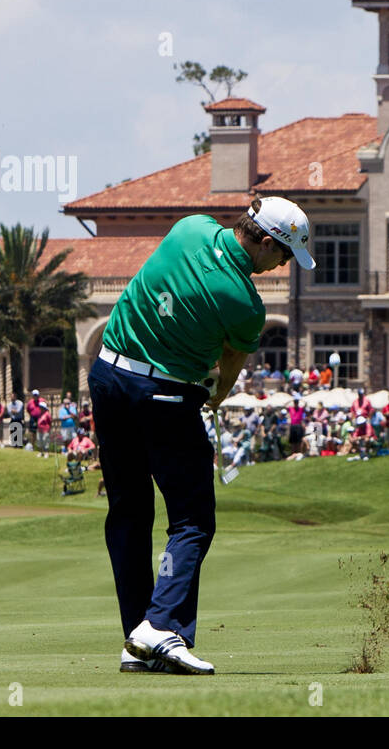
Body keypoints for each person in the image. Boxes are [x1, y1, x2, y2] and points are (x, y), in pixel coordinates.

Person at [89, 195, 315, 676]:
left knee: (129, 513)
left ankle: (138, 640)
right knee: (192, 521)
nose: (279, 267)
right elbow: (228, 370)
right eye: (282, 255)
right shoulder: (246, 305)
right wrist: (212, 395)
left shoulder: (190, 226)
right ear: (267, 244)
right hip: (164, 397)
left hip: (107, 378)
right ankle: (162, 625)